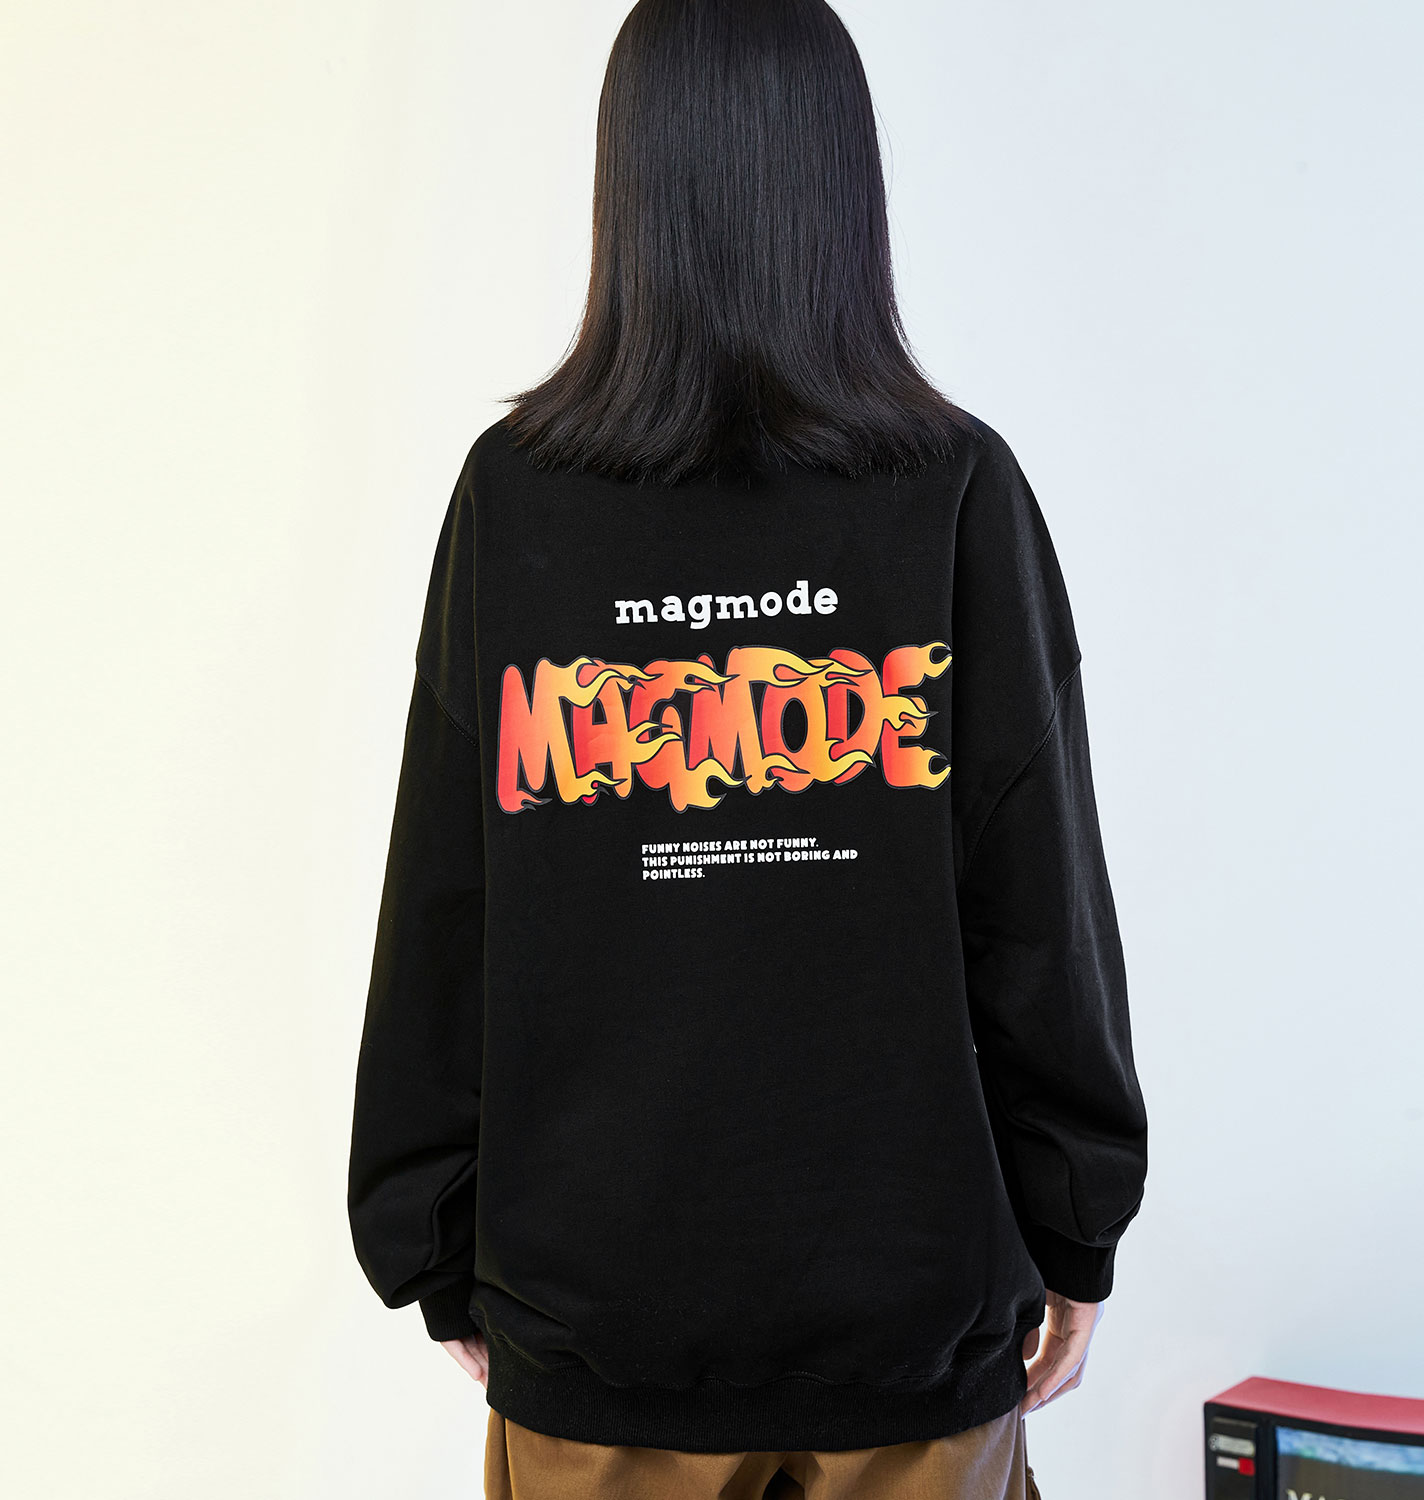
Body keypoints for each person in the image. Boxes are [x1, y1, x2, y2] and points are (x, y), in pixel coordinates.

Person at [346, 1, 1149, 1495]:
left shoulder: (519, 492)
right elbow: (1038, 902)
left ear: (630, 181)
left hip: (599, 1318)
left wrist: (431, 1234)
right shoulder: (953, 485)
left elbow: (446, 894)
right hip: (908, 1315)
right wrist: (1076, 1218)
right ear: (843, 185)